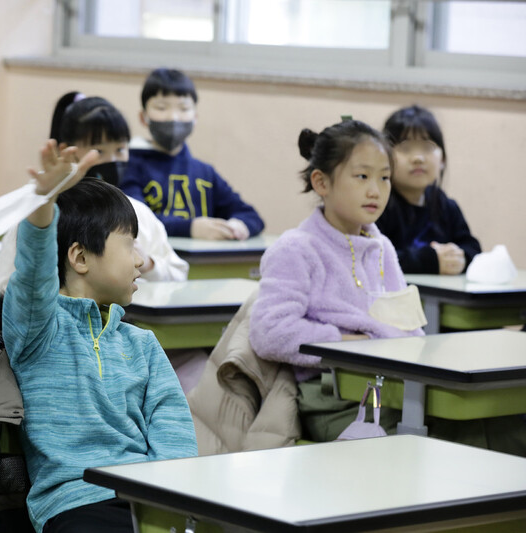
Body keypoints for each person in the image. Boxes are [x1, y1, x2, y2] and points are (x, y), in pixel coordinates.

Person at [2, 142, 197, 532]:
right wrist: (43, 207)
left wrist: (170, 503)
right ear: (80, 258)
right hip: (75, 500)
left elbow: (174, 435)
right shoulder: (38, 330)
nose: (142, 260)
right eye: (129, 244)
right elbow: (32, 277)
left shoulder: (142, 345)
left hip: (147, 498)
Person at [250, 119, 424, 442]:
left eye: (384, 178)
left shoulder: (381, 247)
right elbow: (269, 331)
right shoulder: (297, 248)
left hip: (394, 388)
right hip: (334, 400)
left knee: (489, 427)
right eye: (362, 176)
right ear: (321, 182)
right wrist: (349, 344)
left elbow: (409, 325)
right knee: (439, 438)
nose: (376, 190)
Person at [0, 92, 189, 291]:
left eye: (120, 149)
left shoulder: (138, 213)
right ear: (68, 151)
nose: (112, 160)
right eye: (100, 151)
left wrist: (148, 264)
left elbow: (179, 275)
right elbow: (1, 289)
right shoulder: (40, 214)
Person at [120, 68, 263, 240]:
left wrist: (238, 226)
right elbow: (133, 220)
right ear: (143, 117)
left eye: (183, 108)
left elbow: (251, 216)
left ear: (195, 118)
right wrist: (190, 228)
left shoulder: (205, 172)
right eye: (161, 107)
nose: (173, 117)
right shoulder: (129, 165)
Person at [375, 105, 480, 274]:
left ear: (443, 159)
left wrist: (460, 258)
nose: (418, 158)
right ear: (385, 157)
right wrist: (430, 260)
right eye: (405, 148)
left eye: (427, 148)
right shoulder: (377, 204)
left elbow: (473, 249)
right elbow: (372, 258)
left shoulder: (446, 205)